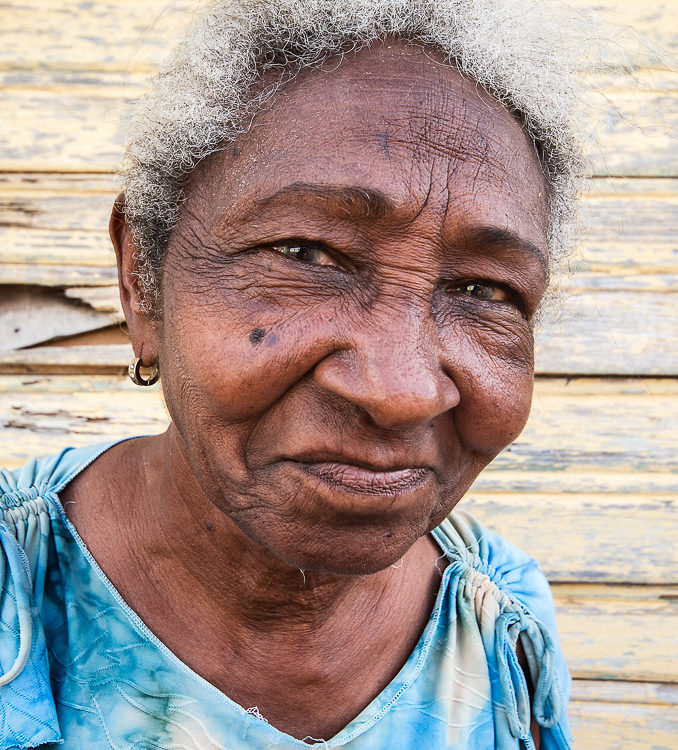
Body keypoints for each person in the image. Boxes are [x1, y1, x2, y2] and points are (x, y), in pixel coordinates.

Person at [0, 0, 587, 747]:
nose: (401, 391)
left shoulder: (502, 628)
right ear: (141, 278)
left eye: (484, 291)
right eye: (307, 254)